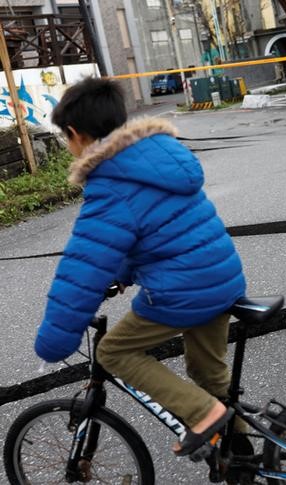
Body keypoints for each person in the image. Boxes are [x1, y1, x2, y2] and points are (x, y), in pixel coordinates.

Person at [34, 77, 247, 458]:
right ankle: (244, 456)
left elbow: (82, 269)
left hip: (183, 291)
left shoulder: (110, 184)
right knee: (208, 374)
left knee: (113, 353)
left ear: (75, 134)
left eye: (65, 139)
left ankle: (203, 413)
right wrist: (121, 274)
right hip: (220, 277)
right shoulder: (157, 157)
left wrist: (55, 341)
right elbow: (154, 233)